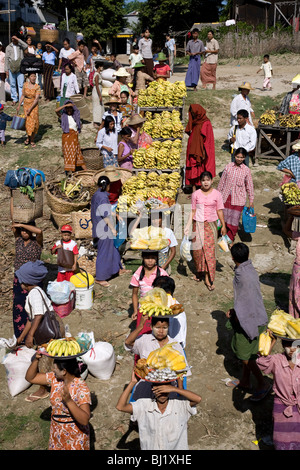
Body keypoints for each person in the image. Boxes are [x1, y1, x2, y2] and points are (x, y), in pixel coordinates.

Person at [225, 242, 271, 401]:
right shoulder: (249, 269)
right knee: (249, 353)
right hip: (256, 316)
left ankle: (262, 383)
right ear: (248, 255)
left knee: (245, 356)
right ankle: (245, 381)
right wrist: (235, 309)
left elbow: (245, 300)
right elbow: (245, 298)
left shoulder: (242, 277)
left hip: (249, 320)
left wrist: (237, 315)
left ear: (232, 258)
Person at [15, 260, 65, 402]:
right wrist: (21, 338)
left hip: (47, 330)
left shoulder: (34, 294)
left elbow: (38, 316)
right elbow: (30, 319)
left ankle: (43, 389)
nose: (20, 283)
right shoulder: (35, 292)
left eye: (21, 280)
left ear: (27, 281)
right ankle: (54, 382)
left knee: (43, 358)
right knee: (50, 357)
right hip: (48, 327)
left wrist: (30, 336)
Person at [116, 370, 201, 450]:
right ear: (152, 389)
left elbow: (198, 399)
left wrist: (175, 389)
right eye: (159, 391)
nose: (162, 395)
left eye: (165, 392)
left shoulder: (179, 405)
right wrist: (133, 382)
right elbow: (120, 407)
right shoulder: (144, 405)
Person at [25, 354, 91, 450]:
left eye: (55, 368)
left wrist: (69, 401)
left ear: (64, 371)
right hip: (57, 432)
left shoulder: (81, 387)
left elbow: (84, 420)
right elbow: (30, 378)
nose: (52, 370)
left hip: (75, 436)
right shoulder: (55, 379)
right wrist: (36, 360)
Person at [184, 171, 226, 290]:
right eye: (203, 180)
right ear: (200, 182)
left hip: (211, 226)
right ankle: (199, 272)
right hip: (197, 224)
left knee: (209, 252)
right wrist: (187, 226)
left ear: (212, 181)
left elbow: (220, 211)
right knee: (197, 251)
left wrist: (223, 225)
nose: (206, 182)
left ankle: (208, 277)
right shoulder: (196, 194)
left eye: (208, 180)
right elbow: (192, 211)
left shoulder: (217, 194)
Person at [256, 336, 300, 450]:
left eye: (296, 346)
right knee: (282, 441)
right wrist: (271, 341)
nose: (292, 349)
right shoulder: (276, 360)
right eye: (288, 346)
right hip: (282, 407)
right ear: (283, 345)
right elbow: (262, 361)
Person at [91, 175, 130, 287]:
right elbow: (105, 215)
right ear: (108, 186)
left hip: (98, 225)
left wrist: (115, 214)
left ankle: (117, 269)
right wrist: (112, 229)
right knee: (104, 252)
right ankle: (100, 277)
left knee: (113, 249)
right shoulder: (103, 197)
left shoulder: (97, 195)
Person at [11, 222, 43, 340]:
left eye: (27, 230)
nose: (24, 233)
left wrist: (22, 224)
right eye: (22, 231)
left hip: (32, 280)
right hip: (19, 279)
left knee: (33, 307)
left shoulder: (37, 243)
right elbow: (13, 223)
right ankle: (19, 337)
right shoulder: (18, 240)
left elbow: (39, 231)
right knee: (19, 305)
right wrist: (18, 225)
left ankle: (33, 336)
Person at [217, 147, 254, 242]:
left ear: (245, 158)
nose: (239, 159)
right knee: (223, 217)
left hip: (238, 199)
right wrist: (217, 195)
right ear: (234, 156)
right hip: (225, 197)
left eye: (242, 157)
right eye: (238, 157)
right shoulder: (228, 166)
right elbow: (222, 182)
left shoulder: (246, 170)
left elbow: (249, 186)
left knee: (234, 220)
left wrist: (251, 200)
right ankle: (222, 235)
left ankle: (229, 239)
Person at [130, 251, 169, 332]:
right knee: (142, 333)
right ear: (143, 258)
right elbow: (134, 294)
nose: (150, 261)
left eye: (153, 258)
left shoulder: (162, 273)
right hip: (143, 309)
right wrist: (135, 311)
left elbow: (167, 294)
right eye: (147, 258)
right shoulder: (138, 273)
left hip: (158, 309)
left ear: (157, 258)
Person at [185, 104, 216, 191]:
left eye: (194, 113)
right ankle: (194, 190)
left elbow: (208, 139)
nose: (193, 115)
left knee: (202, 168)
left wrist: (204, 151)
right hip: (193, 148)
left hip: (201, 150)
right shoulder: (195, 121)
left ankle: (203, 189)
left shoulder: (206, 123)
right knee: (193, 169)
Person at [152, 275, 187, 348]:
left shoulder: (176, 316)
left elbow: (176, 343)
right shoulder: (158, 308)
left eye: (157, 293)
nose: (153, 295)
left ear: (168, 293)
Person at [55, 101, 86, 173]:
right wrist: (64, 106)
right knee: (68, 154)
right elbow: (56, 110)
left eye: (70, 108)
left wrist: (78, 130)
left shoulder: (75, 116)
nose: (69, 110)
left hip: (74, 138)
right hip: (67, 138)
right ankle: (69, 172)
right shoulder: (63, 116)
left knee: (77, 153)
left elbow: (78, 126)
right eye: (67, 108)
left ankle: (85, 170)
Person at [16, 72, 40, 148]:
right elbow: (23, 95)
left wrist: (30, 108)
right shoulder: (25, 85)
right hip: (26, 105)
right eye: (32, 76)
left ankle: (32, 139)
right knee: (27, 122)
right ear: (29, 77)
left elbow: (36, 99)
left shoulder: (37, 87)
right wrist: (19, 105)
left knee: (33, 122)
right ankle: (28, 137)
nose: (33, 78)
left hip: (33, 106)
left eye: (34, 76)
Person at [283, 215, 300, 318]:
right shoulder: (299, 236)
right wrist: (290, 217)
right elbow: (286, 230)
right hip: (297, 271)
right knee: (295, 295)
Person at [4, 35, 28, 105]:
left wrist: (18, 39)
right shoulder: (8, 47)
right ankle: (14, 99)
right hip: (11, 67)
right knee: (12, 84)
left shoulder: (20, 45)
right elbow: (6, 59)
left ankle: (21, 100)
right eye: (12, 38)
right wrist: (6, 69)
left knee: (21, 85)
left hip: (20, 67)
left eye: (15, 38)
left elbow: (26, 46)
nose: (13, 39)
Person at [92, 61, 104, 129]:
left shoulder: (98, 74)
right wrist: (99, 95)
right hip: (96, 92)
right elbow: (96, 85)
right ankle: (95, 122)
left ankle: (98, 121)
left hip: (98, 90)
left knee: (99, 107)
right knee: (97, 106)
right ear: (99, 67)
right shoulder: (96, 74)